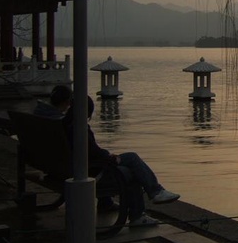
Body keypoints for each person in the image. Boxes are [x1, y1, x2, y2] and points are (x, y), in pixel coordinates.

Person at [64, 96, 180, 227]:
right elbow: (92, 153)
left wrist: (106, 155)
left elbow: (90, 151)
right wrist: (110, 158)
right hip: (91, 172)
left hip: (72, 169)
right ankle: (146, 204)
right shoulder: (78, 129)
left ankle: (106, 202)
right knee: (132, 167)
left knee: (130, 161)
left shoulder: (65, 124)